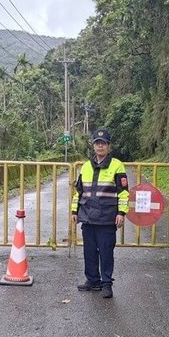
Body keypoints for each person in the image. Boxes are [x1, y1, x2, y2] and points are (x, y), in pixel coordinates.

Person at [71, 127, 129, 299]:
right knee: (89, 250)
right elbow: (79, 192)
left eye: (103, 143)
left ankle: (106, 283)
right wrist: (75, 210)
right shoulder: (86, 166)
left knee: (105, 251)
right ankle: (93, 280)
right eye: (97, 143)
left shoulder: (117, 165)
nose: (100, 146)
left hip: (107, 217)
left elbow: (123, 192)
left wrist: (121, 213)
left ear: (109, 146)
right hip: (88, 216)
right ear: (93, 146)